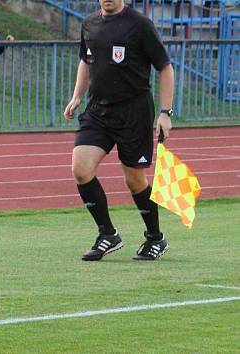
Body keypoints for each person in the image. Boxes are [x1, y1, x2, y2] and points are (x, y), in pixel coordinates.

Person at [63, 0, 175, 261]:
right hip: (98, 110)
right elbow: (85, 59)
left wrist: (165, 113)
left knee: (135, 181)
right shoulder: (89, 24)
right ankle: (108, 234)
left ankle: (155, 238)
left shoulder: (140, 25)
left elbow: (165, 67)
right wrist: (77, 95)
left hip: (134, 113)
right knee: (81, 169)